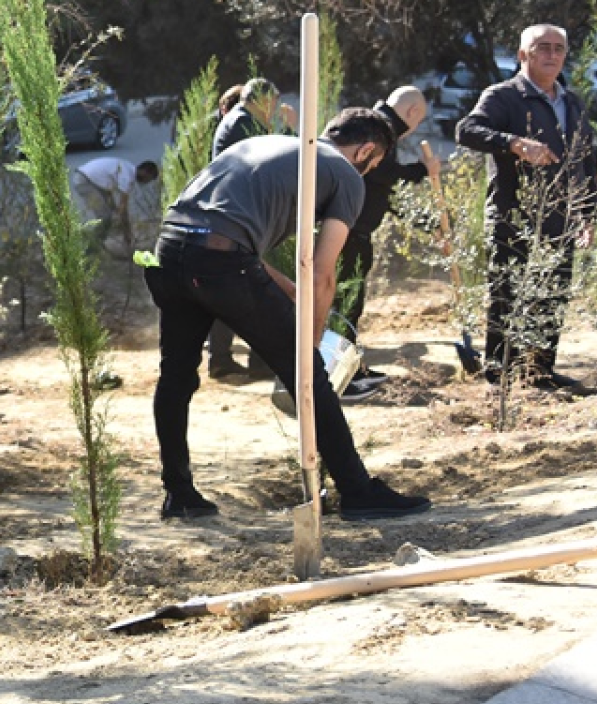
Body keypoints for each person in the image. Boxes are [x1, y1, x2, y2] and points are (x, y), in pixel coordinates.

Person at [144, 108, 431, 522]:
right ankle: (357, 491)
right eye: (372, 165)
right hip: (220, 262)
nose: (367, 174)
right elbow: (323, 273)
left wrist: (285, 287)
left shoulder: (265, 145)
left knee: (176, 375)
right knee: (309, 373)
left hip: (170, 252)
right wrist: (311, 345)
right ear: (367, 150)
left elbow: (222, 229)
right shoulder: (346, 175)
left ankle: (179, 494)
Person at [455, 24, 597, 392]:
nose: (552, 54)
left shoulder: (572, 102)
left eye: (559, 48)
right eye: (542, 47)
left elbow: (588, 162)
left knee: (552, 296)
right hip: (513, 217)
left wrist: (587, 215)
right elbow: (466, 130)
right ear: (523, 55)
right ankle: (499, 378)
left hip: (561, 220)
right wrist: (514, 143)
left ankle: (539, 373)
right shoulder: (503, 96)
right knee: (507, 295)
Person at [334, 86, 439, 395]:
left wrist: (427, 224)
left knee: (349, 305)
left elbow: (388, 195)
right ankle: (340, 375)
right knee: (344, 305)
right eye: (418, 121)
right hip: (347, 234)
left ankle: (349, 367)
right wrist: (422, 169)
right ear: (412, 113)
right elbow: (387, 176)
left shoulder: (377, 127)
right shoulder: (380, 129)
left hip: (351, 232)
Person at [205, 78, 283, 382]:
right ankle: (248, 361)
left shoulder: (236, 120)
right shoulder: (244, 124)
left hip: (231, 217)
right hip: (238, 218)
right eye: (273, 105)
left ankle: (226, 359)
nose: (274, 110)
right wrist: (286, 130)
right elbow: (271, 162)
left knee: (235, 292)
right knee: (251, 291)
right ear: (265, 101)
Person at [68, 156, 160, 252]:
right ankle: (91, 247)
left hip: (90, 179)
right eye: (149, 179)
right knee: (105, 217)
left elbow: (109, 192)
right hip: (84, 180)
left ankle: (97, 242)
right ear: (145, 172)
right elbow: (123, 209)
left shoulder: (128, 168)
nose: (147, 182)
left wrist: (115, 209)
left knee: (110, 213)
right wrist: (127, 233)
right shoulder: (127, 176)